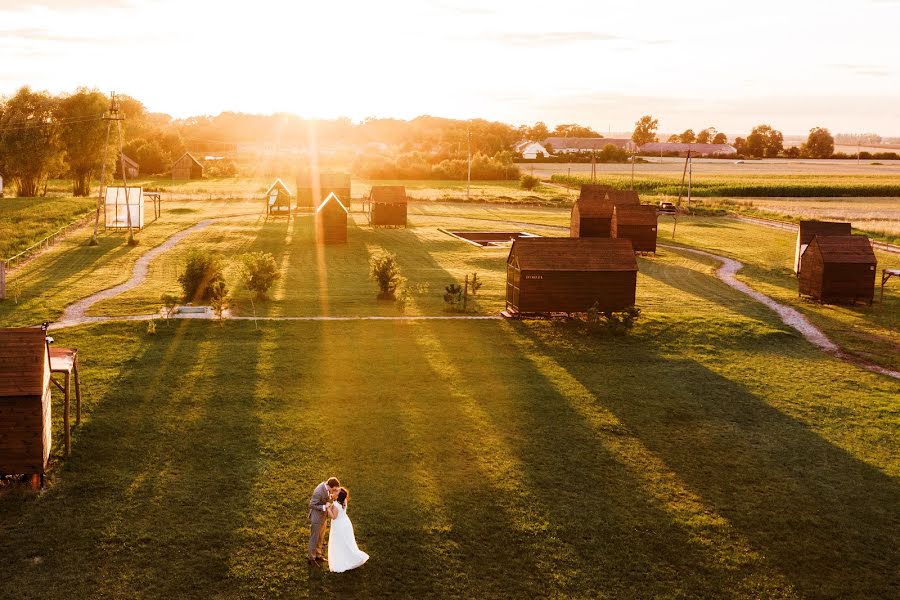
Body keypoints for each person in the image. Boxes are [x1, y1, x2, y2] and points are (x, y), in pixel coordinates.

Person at [326, 487, 369, 573]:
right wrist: (332, 498)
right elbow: (336, 500)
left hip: (339, 525)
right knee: (346, 541)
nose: (335, 491)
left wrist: (327, 507)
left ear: (338, 496)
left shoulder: (336, 505)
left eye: (337, 492)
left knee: (338, 542)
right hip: (345, 523)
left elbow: (334, 517)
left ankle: (341, 560)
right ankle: (350, 555)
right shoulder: (344, 501)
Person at [308, 477, 341, 566]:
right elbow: (311, 504)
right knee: (314, 538)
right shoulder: (318, 491)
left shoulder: (327, 488)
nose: (334, 491)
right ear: (330, 486)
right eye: (334, 489)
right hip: (316, 518)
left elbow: (327, 498)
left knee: (321, 537)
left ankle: (318, 555)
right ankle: (311, 558)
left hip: (323, 517)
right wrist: (324, 507)